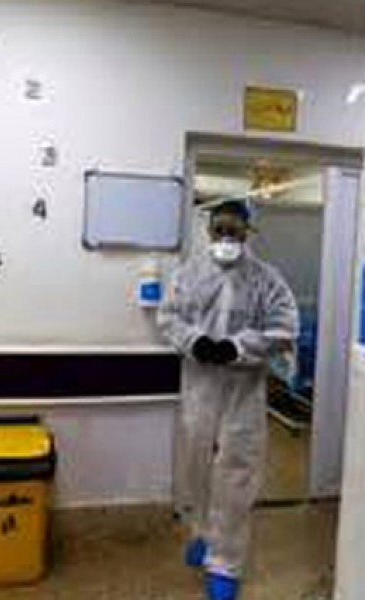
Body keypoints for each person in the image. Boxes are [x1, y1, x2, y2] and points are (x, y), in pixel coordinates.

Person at [157, 199, 299, 600]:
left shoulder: (266, 280)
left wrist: (237, 347)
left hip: (243, 390)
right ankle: (202, 533)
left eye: (233, 231)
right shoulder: (187, 274)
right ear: (208, 231)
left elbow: (284, 327)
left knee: (236, 471)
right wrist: (196, 341)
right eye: (219, 229)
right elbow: (168, 317)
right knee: (195, 465)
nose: (225, 237)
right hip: (199, 386)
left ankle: (225, 562)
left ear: (246, 233)